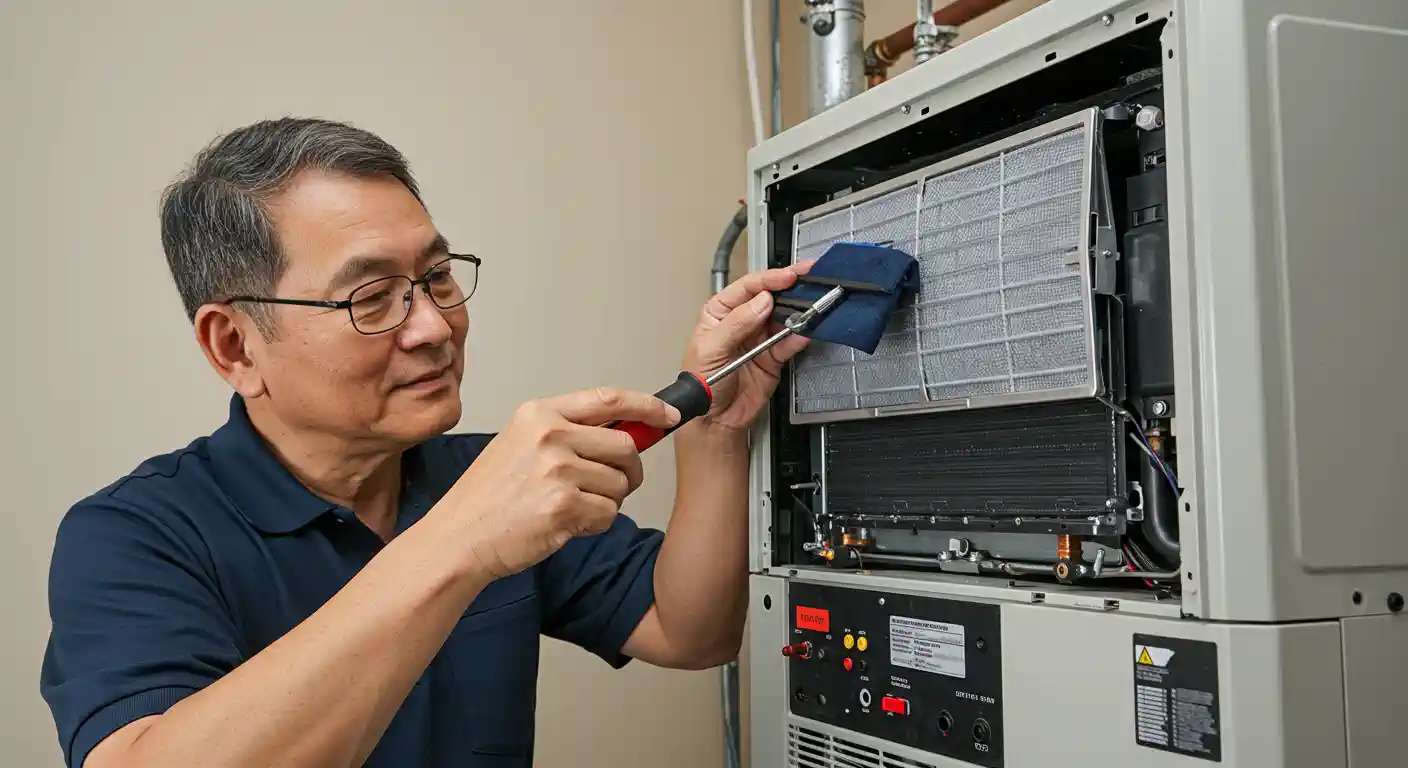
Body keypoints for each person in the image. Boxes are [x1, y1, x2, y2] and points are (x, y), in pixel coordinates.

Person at [39, 117, 811, 768]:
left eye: (438, 276)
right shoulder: (133, 535)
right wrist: (461, 540)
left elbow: (693, 629)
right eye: (372, 297)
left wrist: (715, 428)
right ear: (235, 346)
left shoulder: (481, 475)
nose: (436, 326)